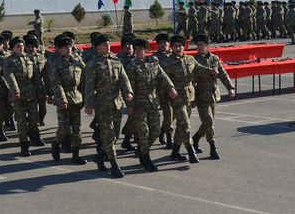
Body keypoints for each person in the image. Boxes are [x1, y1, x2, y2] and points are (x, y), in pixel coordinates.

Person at [160, 35, 217, 164]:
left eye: (180, 46)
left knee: (181, 126)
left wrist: (211, 71)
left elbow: (199, 69)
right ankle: (191, 151)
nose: (178, 48)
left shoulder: (190, 59)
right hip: (176, 99)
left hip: (189, 97)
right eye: (175, 46)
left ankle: (175, 151)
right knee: (185, 125)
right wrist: (166, 94)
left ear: (183, 47)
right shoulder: (167, 62)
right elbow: (162, 79)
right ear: (172, 47)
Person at [84, 33, 134, 178]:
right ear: (97, 47)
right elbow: (89, 86)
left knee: (115, 135)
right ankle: (114, 165)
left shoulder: (116, 61)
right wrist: (89, 104)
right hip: (102, 104)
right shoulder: (93, 64)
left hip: (117, 103)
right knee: (108, 135)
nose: (108, 46)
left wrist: (128, 92)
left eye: (108, 43)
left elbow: (124, 79)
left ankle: (100, 156)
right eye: (104, 44)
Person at [126, 38, 177, 172]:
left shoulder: (153, 63)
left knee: (155, 131)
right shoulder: (132, 66)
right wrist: (130, 106)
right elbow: (129, 87)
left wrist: (171, 87)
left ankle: (142, 151)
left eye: (140, 49)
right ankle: (146, 158)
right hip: (139, 104)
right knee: (144, 131)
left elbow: (162, 76)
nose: (138, 51)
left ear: (146, 50)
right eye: (136, 49)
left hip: (153, 102)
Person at [192, 34, 235, 160]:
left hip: (212, 94)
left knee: (207, 123)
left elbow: (223, 73)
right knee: (209, 122)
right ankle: (213, 147)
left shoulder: (214, 58)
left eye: (201, 45)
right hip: (201, 95)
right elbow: (191, 79)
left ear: (207, 45)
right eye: (198, 45)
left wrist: (230, 87)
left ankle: (195, 139)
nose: (199, 47)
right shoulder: (193, 60)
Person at [48, 36, 87, 164]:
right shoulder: (56, 64)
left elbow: (83, 79)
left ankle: (76, 156)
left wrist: (84, 97)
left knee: (77, 129)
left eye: (70, 46)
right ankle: (56, 143)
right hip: (63, 98)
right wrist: (62, 100)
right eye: (65, 47)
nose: (68, 49)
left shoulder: (77, 61)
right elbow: (56, 84)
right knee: (64, 128)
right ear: (59, 49)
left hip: (76, 98)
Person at [4, 37, 46, 156]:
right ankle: (24, 146)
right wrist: (16, 91)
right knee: (21, 121)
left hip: (31, 93)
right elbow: (10, 77)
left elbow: (36, 76)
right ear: (13, 48)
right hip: (18, 96)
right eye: (18, 46)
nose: (21, 47)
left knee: (34, 118)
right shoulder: (9, 61)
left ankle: (34, 134)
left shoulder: (30, 58)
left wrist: (41, 91)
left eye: (22, 45)